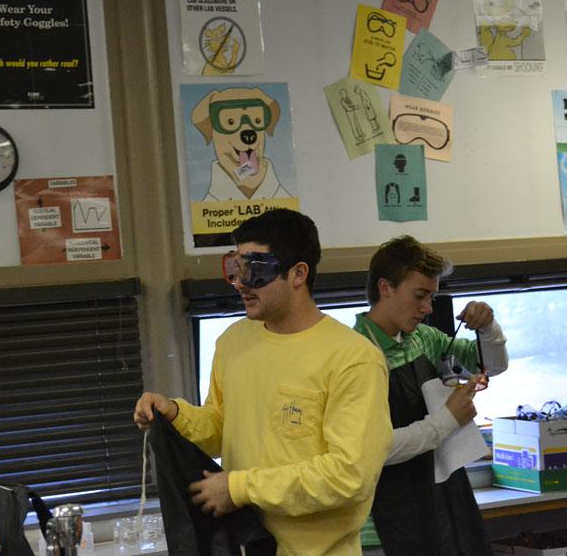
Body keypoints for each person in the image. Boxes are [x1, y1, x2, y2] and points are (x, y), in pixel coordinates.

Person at [134, 208, 392, 556]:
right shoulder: (234, 342)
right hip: (246, 543)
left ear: (298, 273)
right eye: (236, 268)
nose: (240, 283)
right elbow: (221, 428)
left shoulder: (353, 359)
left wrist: (240, 487)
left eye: (255, 270)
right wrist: (176, 414)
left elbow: (348, 476)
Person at [354, 236, 509, 556]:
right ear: (385, 288)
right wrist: (448, 419)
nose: (427, 308)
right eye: (419, 296)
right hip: (378, 529)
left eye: (432, 297)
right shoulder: (354, 354)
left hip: (434, 506)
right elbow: (372, 450)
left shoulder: (423, 339)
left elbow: (492, 365)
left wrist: (489, 328)